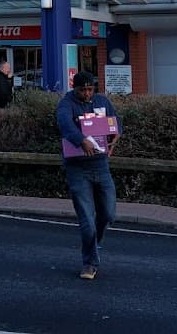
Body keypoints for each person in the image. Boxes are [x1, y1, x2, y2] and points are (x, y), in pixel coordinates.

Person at [56, 71, 119, 280]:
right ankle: (89, 262)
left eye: (90, 89)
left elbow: (114, 122)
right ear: (75, 88)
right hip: (77, 168)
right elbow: (64, 124)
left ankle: (95, 243)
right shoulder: (67, 104)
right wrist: (80, 139)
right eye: (82, 90)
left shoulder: (102, 101)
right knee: (87, 220)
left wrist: (115, 136)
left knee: (108, 213)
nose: (86, 94)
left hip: (101, 165)